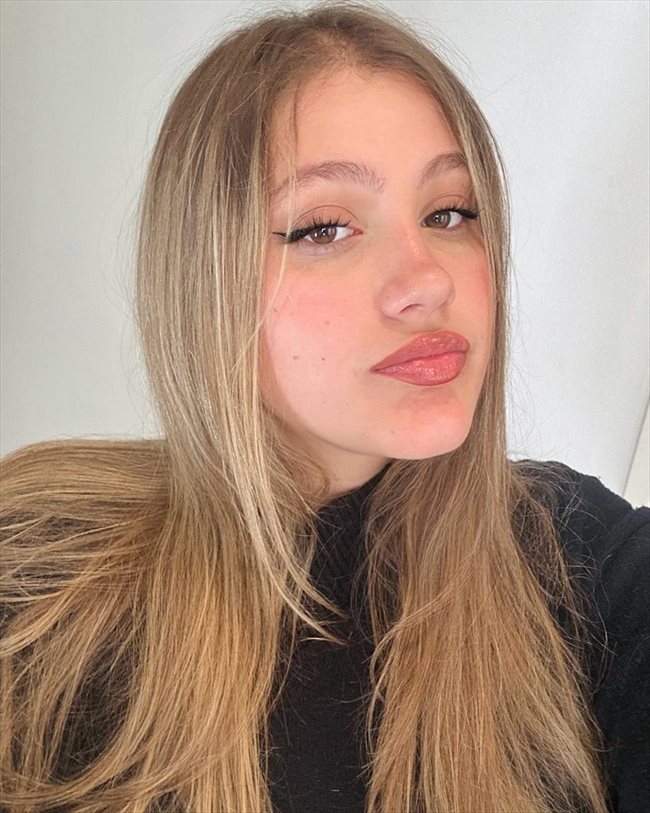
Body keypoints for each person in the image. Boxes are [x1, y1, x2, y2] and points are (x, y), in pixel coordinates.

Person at [1, 3, 648, 812]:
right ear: (205, 280)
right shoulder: (40, 575)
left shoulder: (576, 557)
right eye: (324, 228)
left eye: (449, 213)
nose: (427, 281)